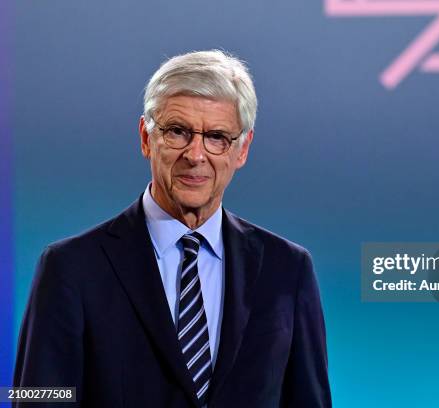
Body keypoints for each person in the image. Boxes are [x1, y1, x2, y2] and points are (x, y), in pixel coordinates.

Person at [13, 50, 332, 407]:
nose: (196, 155)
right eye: (178, 132)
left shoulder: (287, 270)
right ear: (146, 138)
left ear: (242, 150)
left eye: (216, 137)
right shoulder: (68, 267)